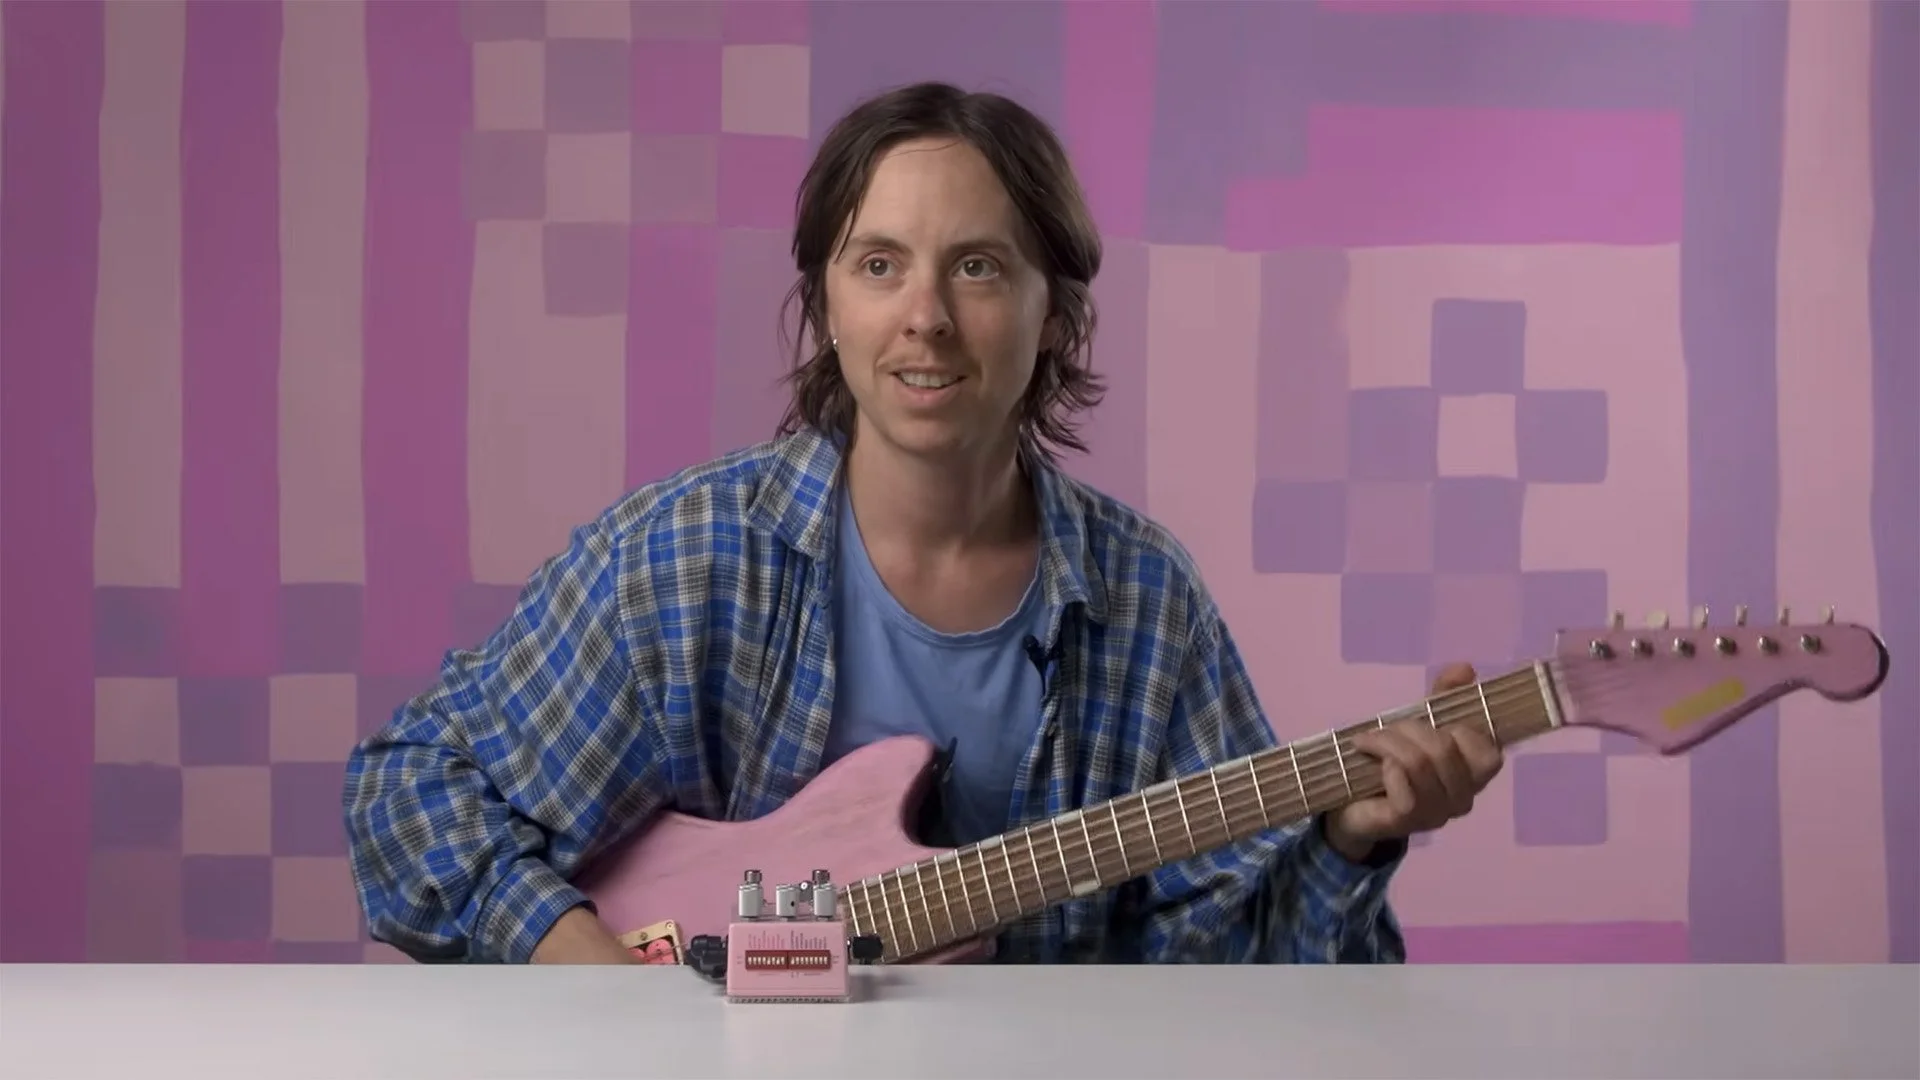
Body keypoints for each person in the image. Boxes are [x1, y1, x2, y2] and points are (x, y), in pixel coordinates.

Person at [342, 81, 1504, 966]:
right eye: (880, 265)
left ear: (1058, 317)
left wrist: (1348, 839)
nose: (926, 317)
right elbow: (406, 795)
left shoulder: (1146, 604)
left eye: (979, 268)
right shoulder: (687, 561)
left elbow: (1226, 972)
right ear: (825, 306)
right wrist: (593, 977)